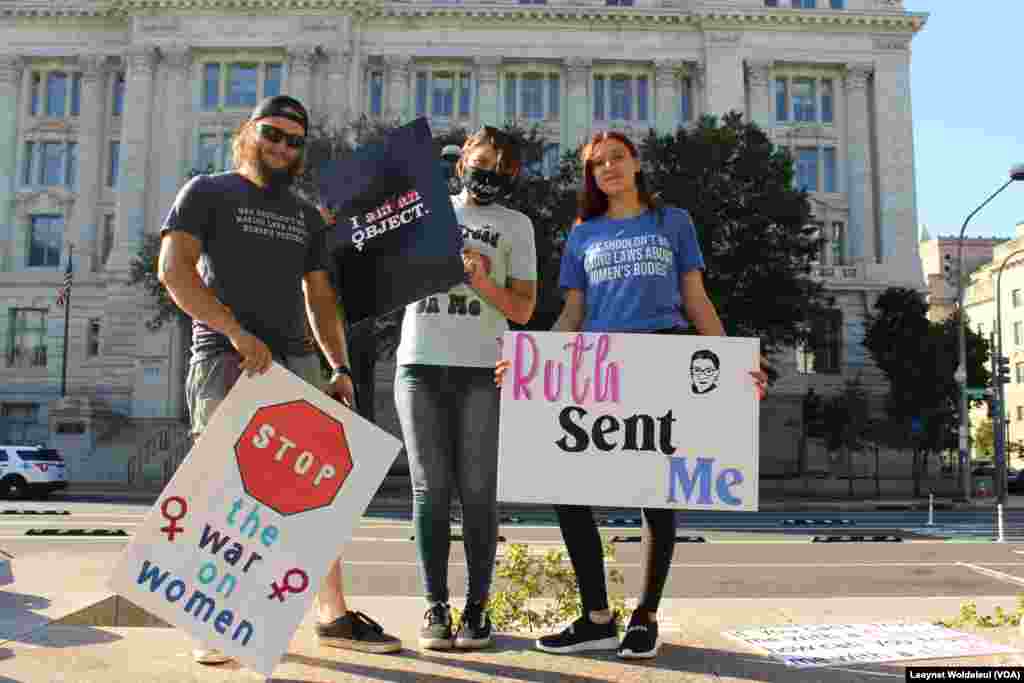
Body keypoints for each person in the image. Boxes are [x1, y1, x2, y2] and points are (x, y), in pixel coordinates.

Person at [495, 131, 768, 660]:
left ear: (636, 163)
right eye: (597, 164)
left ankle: (644, 615)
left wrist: (737, 361)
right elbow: (573, 314)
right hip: (597, 366)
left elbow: (696, 299)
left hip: (661, 358)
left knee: (656, 493)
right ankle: (596, 617)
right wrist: (530, 363)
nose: (608, 169)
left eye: (616, 158)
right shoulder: (583, 234)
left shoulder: (674, 222)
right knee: (566, 484)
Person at [158, 95, 402, 665]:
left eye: (295, 141)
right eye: (273, 134)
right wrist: (235, 332)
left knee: (319, 499)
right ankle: (213, 619)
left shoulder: (305, 215)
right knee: (225, 496)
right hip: (225, 357)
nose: (283, 147)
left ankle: (333, 616)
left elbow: (319, 297)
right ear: (249, 132)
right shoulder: (206, 192)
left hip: (297, 365)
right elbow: (174, 272)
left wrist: (337, 366)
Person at [395, 126, 538, 651]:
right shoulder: (426, 212)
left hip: (483, 370)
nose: (490, 175)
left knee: (478, 493)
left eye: (502, 169)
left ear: (513, 175)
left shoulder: (516, 226)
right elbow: (383, 280)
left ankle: (478, 609)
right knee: (429, 492)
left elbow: (522, 310)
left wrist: (479, 279)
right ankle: (435, 606)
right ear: (461, 164)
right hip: (419, 366)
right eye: (482, 163)